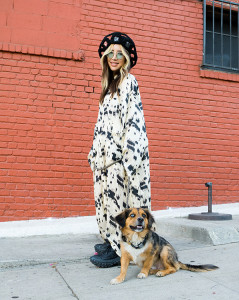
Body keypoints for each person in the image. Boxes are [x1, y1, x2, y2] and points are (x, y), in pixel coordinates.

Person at [88, 32, 151, 268]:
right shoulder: (109, 86)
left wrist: (129, 159)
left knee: (119, 205)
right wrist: (94, 152)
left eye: (119, 54)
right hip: (104, 158)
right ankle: (110, 240)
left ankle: (119, 249)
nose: (114, 58)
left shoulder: (129, 82)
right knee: (105, 202)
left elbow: (134, 121)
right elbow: (101, 124)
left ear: (126, 59)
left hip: (118, 157)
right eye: (110, 54)